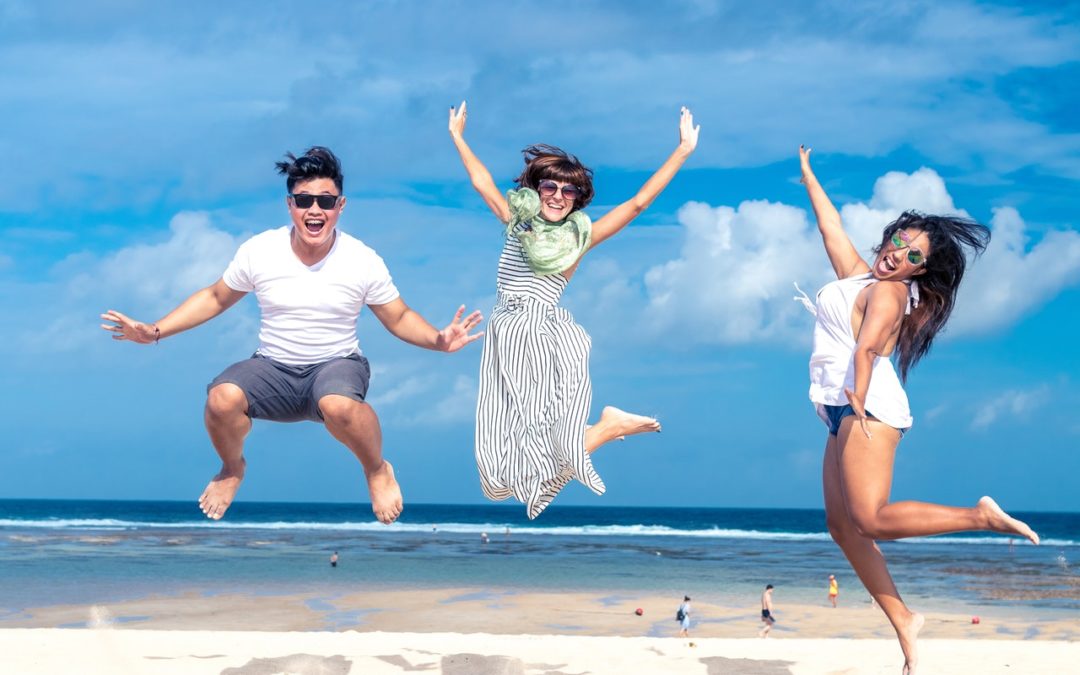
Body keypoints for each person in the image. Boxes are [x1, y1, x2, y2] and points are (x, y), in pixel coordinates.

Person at [101, 147, 484, 525]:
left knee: (338, 405)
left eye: (325, 201)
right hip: (272, 369)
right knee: (221, 399)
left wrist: (438, 340)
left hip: (337, 367)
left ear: (341, 206)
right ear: (290, 206)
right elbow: (216, 297)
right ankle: (232, 468)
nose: (314, 210)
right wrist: (154, 331)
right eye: (304, 200)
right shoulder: (260, 250)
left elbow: (398, 316)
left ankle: (376, 469)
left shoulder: (362, 259)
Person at [797, 146, 1040, 675]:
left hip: (868, 408)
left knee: (871, 519)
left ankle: (978, 516)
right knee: (843, 527)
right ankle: (904, 619)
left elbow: (866, 348)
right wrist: (810, 177)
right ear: (888, 237)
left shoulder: (889, 293)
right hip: (842, 410)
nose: (897, 255)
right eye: (898, 243)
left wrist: (857, 394)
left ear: (921, 270)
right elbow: (831, 228)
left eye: (912, 256)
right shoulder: (862, 278)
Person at [448, 101, 699, 518]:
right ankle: (606, 427)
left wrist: (682, 152)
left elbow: (636, 204)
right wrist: (458, 137)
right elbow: (480, 181)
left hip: (542, 334)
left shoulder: (579, 238)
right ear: (536, 189)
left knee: (534, 455)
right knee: (496, 478)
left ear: (579, 199)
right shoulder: (518, 220)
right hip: (506, 332)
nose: (559, 197)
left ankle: (606, 428)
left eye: (570, 191)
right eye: (550, 187)